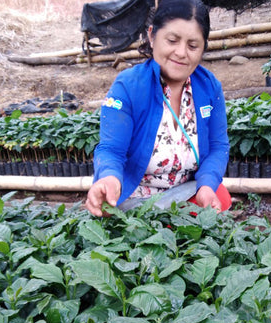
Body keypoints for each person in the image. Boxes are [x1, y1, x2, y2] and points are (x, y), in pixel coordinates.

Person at [85, 0, 231, 217]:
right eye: (172, 40)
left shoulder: (209, 87)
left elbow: (219, 146)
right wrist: (109, 177)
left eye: (193, 46)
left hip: (185, 193)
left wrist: (207, 185)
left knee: (219, 196)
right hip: (137, 199)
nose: (181, 53)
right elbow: (111, 150)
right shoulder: (129, 87)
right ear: (152, 36)